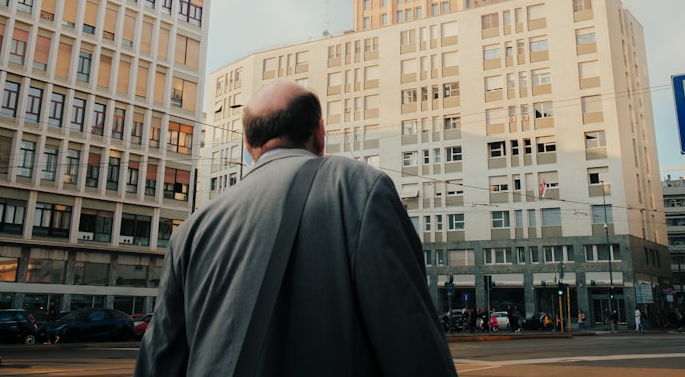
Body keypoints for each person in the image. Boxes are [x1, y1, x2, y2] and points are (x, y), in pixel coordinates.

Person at [134, 80, 457, 377]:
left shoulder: (190, 231)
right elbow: (413, 345)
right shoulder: (358, 188)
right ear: (320, 133)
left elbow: (158, 362)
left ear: (247, 145)